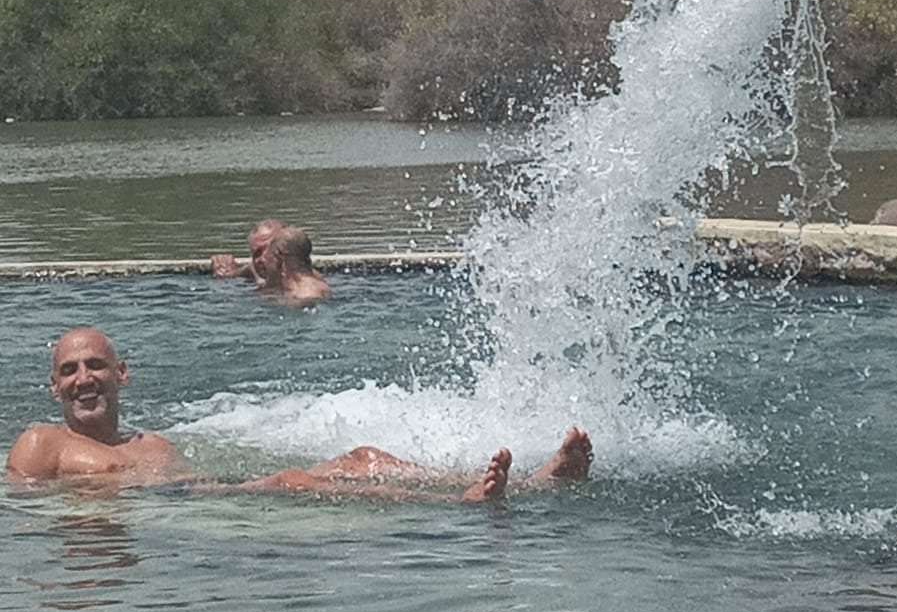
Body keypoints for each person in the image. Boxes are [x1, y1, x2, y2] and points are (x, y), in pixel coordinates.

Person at [5, 328, 592, 502]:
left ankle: (535, 483)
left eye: (95, 366)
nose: (83, 378)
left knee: (365, 456)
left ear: (122, 373)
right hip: (176, 513)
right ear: (53, 387)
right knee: (296, 482)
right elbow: (20, 509)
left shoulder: (150, 442)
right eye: (69, 371)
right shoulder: (44, 443)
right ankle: (459, 504)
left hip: (206, 495)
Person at [260, 226, 334, 306]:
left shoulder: (304, 297)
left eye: (268, 254)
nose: (263, 260)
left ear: (279, 256)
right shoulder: (317, 280)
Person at [211, 218, 285, 284]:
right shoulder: (256, 270)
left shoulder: (295, 267)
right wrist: (225, 271)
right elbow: (248, 269)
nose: (262, 259)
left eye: (270, 250)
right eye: (257, 254)